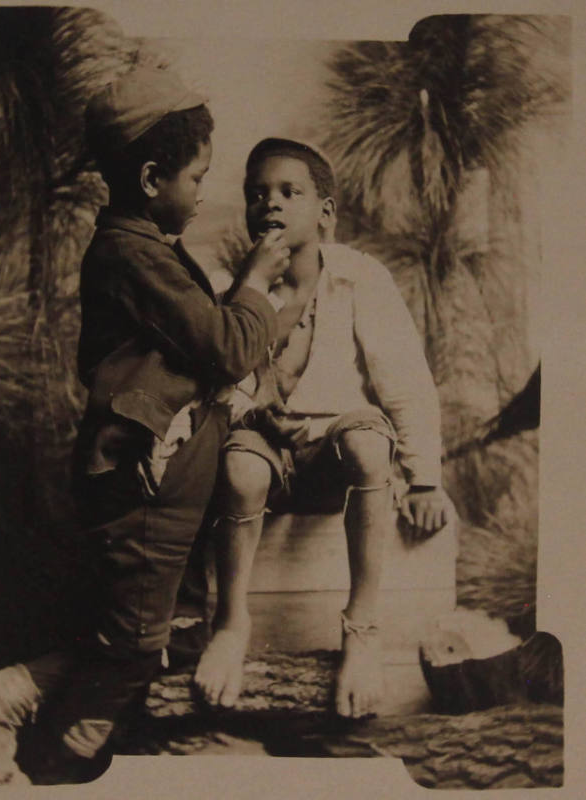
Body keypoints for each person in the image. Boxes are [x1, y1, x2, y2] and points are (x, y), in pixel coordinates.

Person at [0, 66, 290, 785]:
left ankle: (8, 706)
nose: (204, 192)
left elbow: (202, 344)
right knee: (132, 648)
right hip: (143, 488)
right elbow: (225, 342)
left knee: (136, 634)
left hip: (164, 487)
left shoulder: (147, 251)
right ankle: (6, 713)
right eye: (196, 178)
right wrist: (256, 279)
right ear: (148, 178)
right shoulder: (128, 254)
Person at [193, 137, 455, 718]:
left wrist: (425, 479)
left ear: (326, 213)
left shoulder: (358, 278)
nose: (272, 204)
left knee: (366, 438)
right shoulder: (229, 288)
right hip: (266, 453)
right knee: (238, 466)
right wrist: (251, 291)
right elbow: (215, 388)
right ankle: (231, 622)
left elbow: (405, 381)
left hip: (337, 451)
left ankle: (361, 626)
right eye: (257, 194)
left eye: (291, 192)